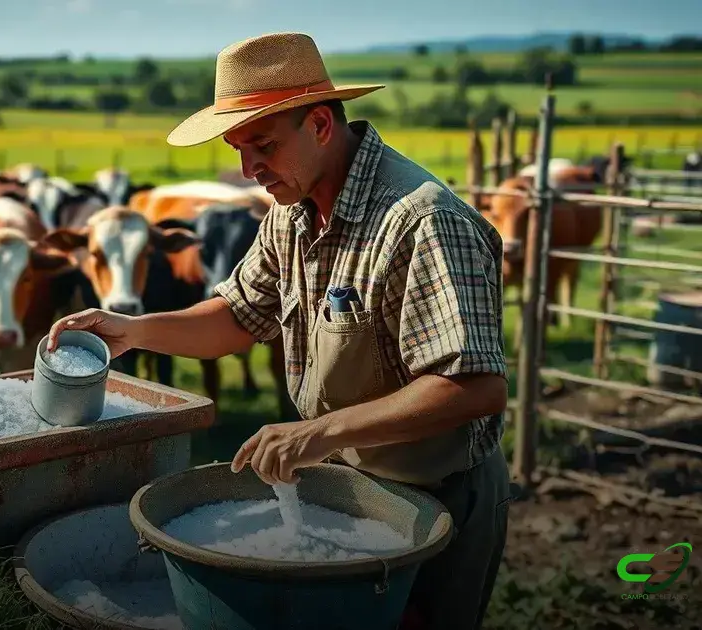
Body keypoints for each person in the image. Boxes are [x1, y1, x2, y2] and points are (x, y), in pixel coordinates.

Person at [46, 32, 512, 630]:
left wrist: (316, 432)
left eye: (261, 145)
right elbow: (238, 316)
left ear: (320, 124)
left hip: (436, 498)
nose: (247, 170)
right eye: (238, 149)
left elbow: (473, 388)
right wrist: (133, 330)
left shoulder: (421, 221)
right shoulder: (292, 214)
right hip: (346, 484)